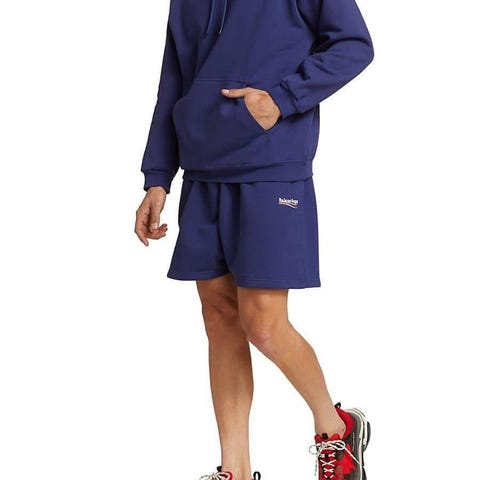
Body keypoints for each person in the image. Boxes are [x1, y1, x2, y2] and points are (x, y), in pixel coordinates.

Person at [134, 0, 374, 479]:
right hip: (202, 171)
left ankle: (336, 427)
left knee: (263, 324)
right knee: (220, 317)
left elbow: (354, 45)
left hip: (270, 166)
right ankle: (236, 470)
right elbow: (173, 80)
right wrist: (158, 176)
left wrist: (282, 99)